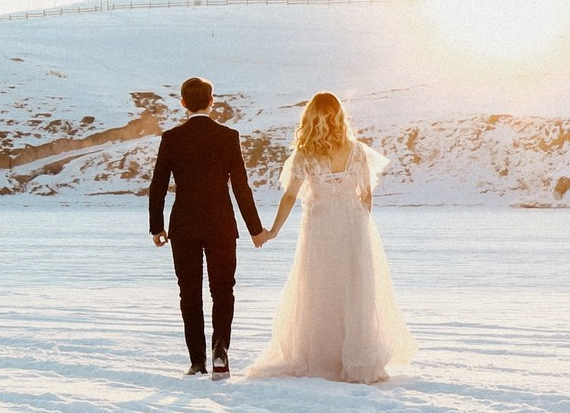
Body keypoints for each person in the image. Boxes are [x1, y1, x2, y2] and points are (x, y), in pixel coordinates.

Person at [246, 92, 417, 384]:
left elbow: (289, 196)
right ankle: (355, 357)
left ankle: (322, 357)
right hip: (354, 225)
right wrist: (360, 223)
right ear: (339, 116)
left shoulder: (305, 154)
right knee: (355, 288)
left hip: (320, 226)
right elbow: (366, 195)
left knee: (319, 288)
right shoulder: (358, 152)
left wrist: (273, 230)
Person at [146, 76, 266, 378]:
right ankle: (220, 350)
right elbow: (241, 187)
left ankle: (197, 361)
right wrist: (255, 230)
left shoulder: (172, 138)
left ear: (183, 103)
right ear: (212, 102)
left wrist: (156, 227)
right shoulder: (228, 136)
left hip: (183, 227)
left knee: (189, 293)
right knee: (223, 290)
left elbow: (158, 185)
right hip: (221, 226)